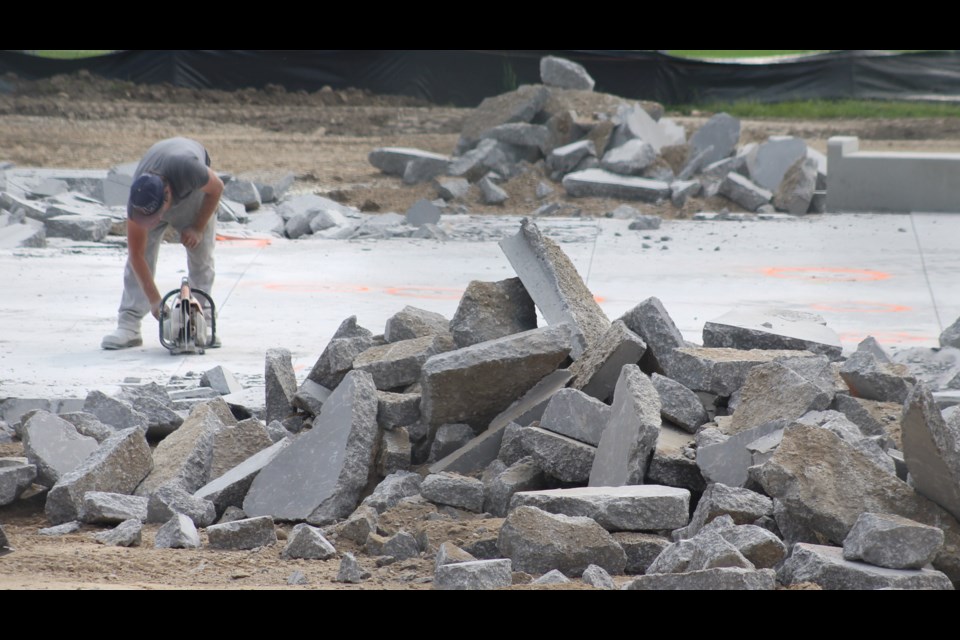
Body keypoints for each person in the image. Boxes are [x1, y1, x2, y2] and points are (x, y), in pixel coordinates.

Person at [101, 137, 224, 349]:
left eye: (156, 215)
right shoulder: (139, 199)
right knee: (141, 256)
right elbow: (136, 255)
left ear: (167, 195)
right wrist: (155, 301)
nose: (154, 222)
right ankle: (128, 325)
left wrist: (197, 227)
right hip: (157, 191)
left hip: (193, 194)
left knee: (201, 256)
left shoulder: (189, 170)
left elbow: (217, 188)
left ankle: (202, 321)